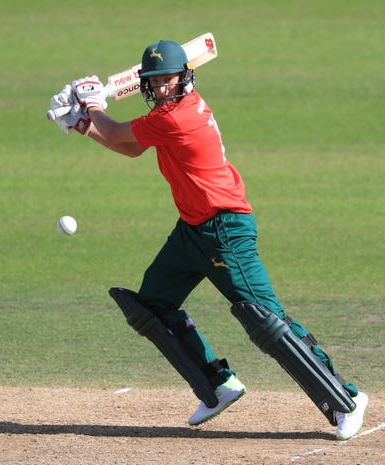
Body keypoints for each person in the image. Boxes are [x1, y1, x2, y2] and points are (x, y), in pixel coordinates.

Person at [50, 39, 367, 439]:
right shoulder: (167, 115)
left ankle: (344, 401)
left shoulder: (177, 117)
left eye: (169, 79)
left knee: (266, 322)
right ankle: (216, 385)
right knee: (150, 307)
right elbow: (128, 147)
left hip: (226, 232)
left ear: (185, 78)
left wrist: (91, 105)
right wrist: (83, 122)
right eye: (155, 81)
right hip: (192, 231)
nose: (162, 87)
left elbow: (116, 132)